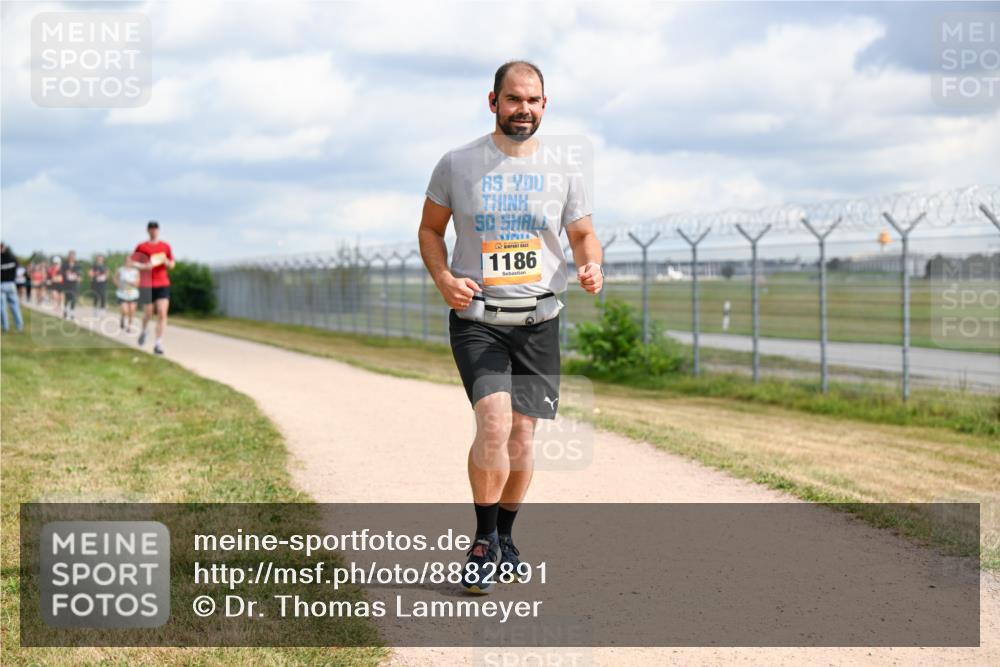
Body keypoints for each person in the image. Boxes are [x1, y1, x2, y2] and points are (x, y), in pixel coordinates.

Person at [418, 60, 603, 594]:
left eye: (534, 100)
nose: (524, 109)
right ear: (493, 100)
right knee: (495, 426)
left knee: (522, 439)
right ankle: (481, 542)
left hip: (540, 320)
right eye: (514, 99)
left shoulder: (563, 169)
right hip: (479, 319)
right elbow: (431, 230)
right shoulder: (457, 164)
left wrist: (591, 263)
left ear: (545, 105)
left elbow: (584, 235)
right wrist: (443, 277)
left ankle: (505, 538)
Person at [133, 220, 175, 355]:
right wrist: (144, 266)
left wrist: (167, 262)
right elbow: (132, 262)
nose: (153, 231)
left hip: (163, 283)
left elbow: (172, 264)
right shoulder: (142, 246)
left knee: (162, 313)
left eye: (155, 229)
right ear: (147, 230)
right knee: (148, 313)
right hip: (147, 284)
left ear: (158, 230)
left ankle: (158, 344)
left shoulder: (165, 246)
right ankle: (144, 330)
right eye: (151, 229)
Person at [1, 242, 25, 333]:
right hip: (11, 285)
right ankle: (19, 326)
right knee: (15, 306)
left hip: (2, 284)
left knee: (2, 307)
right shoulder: (13, 258)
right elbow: (18, 270)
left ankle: (5, 327)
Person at [114, 254, 141, 332]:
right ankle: (122, 317)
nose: (128, 262)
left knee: (132, 310)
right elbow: (115, 279)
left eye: (130, 261)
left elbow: (137, 284)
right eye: (127, 260)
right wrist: (119, 285)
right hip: (122, 293)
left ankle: (129, 326)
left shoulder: (136, 271)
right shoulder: (120, 270)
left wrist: (129, 282)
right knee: (125, 311)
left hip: (133, 293)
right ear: (124, 261)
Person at [62, 250, 82, 320]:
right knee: (67, 298)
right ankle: (65, 311)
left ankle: (72, 313)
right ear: (68, 256)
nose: (72, 257)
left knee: (73, 298)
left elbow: (79, 274)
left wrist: (78, 277)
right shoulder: (65, 264)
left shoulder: (77, 264)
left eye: (73, 256)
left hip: (74, 284)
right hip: (67, 283)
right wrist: (66, 273)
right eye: (70, 256)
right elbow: (62, 273)